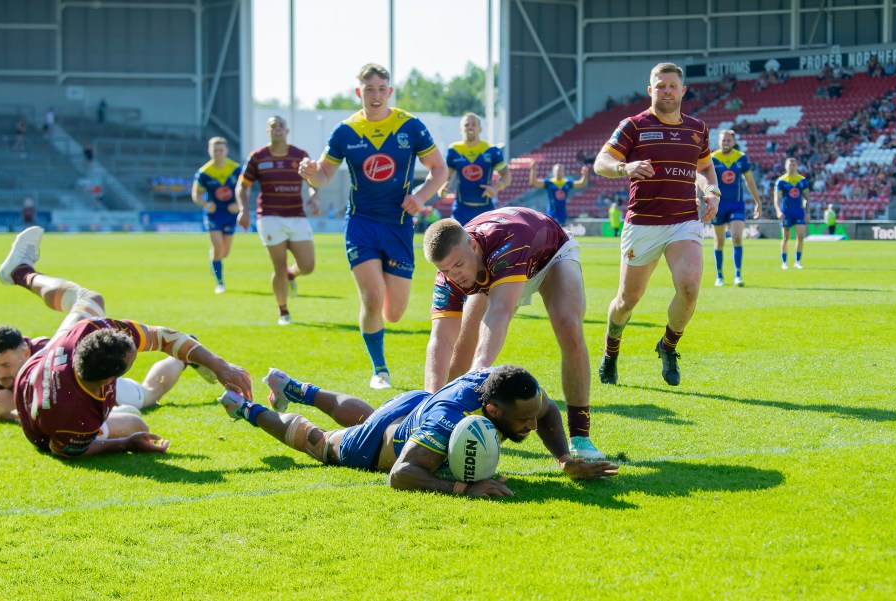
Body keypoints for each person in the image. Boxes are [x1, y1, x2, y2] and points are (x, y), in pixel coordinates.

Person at [0, 226, 252, 457]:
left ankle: (19, 271)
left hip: (43, 365)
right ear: (109, 383)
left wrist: (219, 366)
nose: (137, 351)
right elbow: (64, 449)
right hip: (48, 424)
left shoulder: (86, 330)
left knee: (91, 300)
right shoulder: (78, 418)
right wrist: (127, 442)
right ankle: (179, 363)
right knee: (139, 417)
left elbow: (161, 337)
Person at [219, 365, 619, 497]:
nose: (532, 426)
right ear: (492, 409)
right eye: (523, 422)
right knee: (321, 444)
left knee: (371, 417)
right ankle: (247, 408)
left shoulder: (514, 388)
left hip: (415, 406)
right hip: (387, 443)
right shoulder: (449, 421)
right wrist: (464, 489)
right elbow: (400, 475)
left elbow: (548, 412)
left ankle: (294, 388)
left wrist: (564, 460)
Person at [298, 63, 447, 389]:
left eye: (382, 88)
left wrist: (420, 196)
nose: (376, 95)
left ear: (389, 92)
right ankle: (380, 370)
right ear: (359, 92)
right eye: (369, 89)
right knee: (371, 297)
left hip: (399, 226)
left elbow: (439, 169)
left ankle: (381, 336)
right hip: (361, 224)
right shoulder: (344, 132)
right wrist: (311, 172)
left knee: (394, 312)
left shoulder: (410, 126)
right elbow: (323, 176)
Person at [421, 207, 605, 460]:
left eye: (458, 265)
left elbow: (500, 311)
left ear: (473, 246)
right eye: (446, 270)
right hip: (493, 267)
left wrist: (479, 372)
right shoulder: (449, 275)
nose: (455, 276)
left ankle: (581, 437)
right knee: (463, 347)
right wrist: (428, 402)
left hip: (549, 256)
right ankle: (442, 423)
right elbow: (441, 339)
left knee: (568, 326)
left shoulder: (507, 244)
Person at [592, 62, 720, 387]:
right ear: (650, 90)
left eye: (672, 86)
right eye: (660, 85)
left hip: (684, 222)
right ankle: (611, 350)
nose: (666, 91)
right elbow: (601, 163)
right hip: (643, 223)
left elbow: (705, 169)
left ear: (683, 90)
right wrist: (625, 168)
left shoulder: (697, 128)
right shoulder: (633, 126)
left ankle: (667, 346)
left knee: (690, 288)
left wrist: (712, 191)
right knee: (627, 299)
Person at [236, 116, 319, 326]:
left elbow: (313, 181)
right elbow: (243, 186)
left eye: (281, 125)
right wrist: (243, 210)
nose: (277, 129)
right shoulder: (257, 157)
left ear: (287, 130)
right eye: (273, 126)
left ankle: (292, 275)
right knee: (279, 266)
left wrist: (313, 195)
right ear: (267, 131)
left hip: (297, 216)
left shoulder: (300, 155)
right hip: (270, 217)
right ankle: (283, 312)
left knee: (308, 266)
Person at [710, 129, 764, 287]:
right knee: (719, 241)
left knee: (736, 237)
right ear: (719, 142)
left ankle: (738, 275)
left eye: (728, 140)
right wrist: (697, 197)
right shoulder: (713, 158)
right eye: (723, 140)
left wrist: (758, 202)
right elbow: (703, 179)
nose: (725, 143)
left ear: (733, 142)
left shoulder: (741, 158)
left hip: (737, 204)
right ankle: (719, 275)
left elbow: (750, 180)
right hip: (718, 204)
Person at [439, 113, 511, 225]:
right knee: (458, 242)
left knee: (485, 243)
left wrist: (496, 188)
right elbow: (446, 175)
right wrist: (443, 186)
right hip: (460, 211)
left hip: (485, 211)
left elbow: (506, 175)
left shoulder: (492, 150)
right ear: (460, 129)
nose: (470, 127)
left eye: (473, 124)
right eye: (466, 124)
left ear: (480, 129)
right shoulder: (453, 150)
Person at [192, 136, 242, 294]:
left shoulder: (236, 169)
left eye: (221, 150)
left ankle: (214, 260)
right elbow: (196, 195)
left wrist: (239, 205)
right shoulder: (204, 173)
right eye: (215, 150)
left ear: (226, 151)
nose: (218, 153)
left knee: (224, 252)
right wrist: (206, 204)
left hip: (230, 214)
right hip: (213, 215)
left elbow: (245, 190)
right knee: (218, 248)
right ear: (209, 151)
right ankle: (219, 283)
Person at [774, 158, 810, 269]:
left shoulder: (803, 181)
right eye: (789, 165)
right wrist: (778, 211)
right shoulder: (781, 181)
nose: (791, 166)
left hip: (799, 211)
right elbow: (777, 198)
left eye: (794, 164)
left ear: (797, 166)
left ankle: (797, 261)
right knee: (785, 238)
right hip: (786, 212)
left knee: (800, 236)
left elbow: (807, 198)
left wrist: (807, 212)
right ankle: (784, 262)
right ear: (785, 166)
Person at [528, 161, 589, 226]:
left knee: (561, 233)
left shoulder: (567, 183)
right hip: (552, 213)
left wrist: (585, 175)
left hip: (563, 213)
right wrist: (533, 170)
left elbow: (582, 184)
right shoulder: (549, 183)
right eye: (557, 170)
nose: (558, 172)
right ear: (553, 172)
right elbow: (534, 183)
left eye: (560, 170)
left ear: (563, 172)